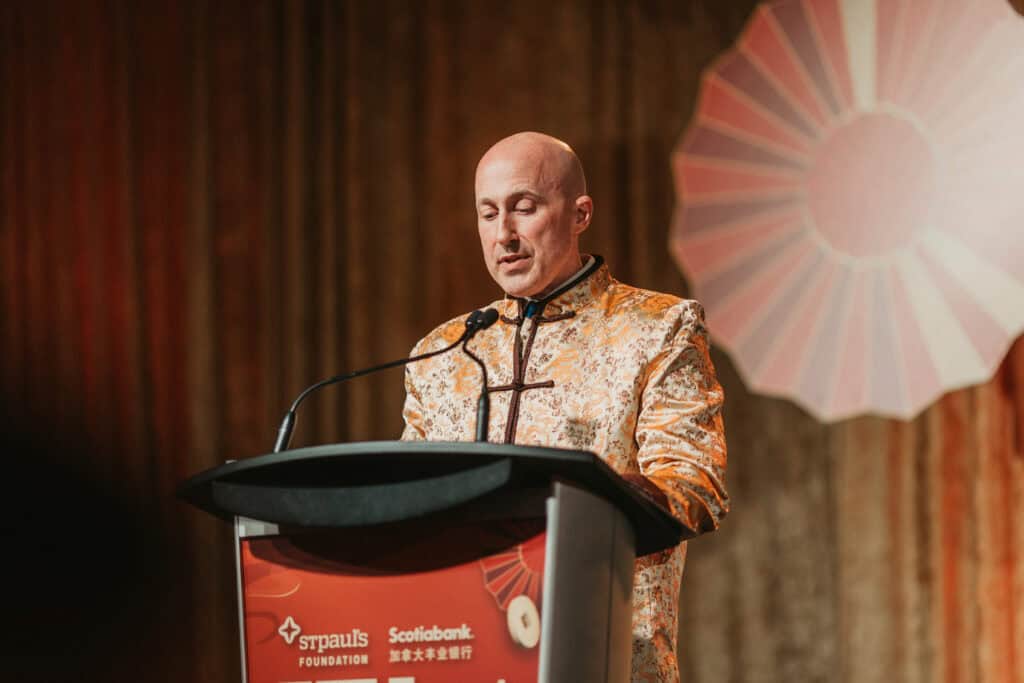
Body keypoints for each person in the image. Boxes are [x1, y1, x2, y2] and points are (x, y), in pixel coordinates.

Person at [401, 131, 728, 681]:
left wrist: (582, 496)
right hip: (458, 654)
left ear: (580, 214)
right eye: (487, 213)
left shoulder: (657, 329)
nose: (503, 234)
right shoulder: (443, 353)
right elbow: (406, 505)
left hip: (607, 654)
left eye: (523, 208)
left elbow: (693, 485)